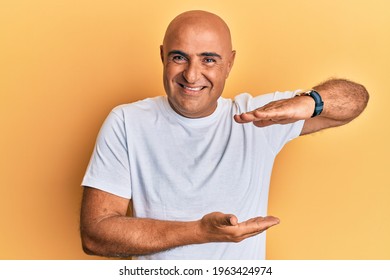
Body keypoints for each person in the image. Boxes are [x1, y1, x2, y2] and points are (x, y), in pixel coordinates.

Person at [80, 10, 369, 260]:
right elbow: (95, 234)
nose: (192, 76)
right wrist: (199, 232)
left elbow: (355, 99)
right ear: (162, 56)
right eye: (179, 57)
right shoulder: (128, 121)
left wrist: (309, 102)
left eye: (209, 60)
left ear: (229, 63)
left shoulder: (259, 117)